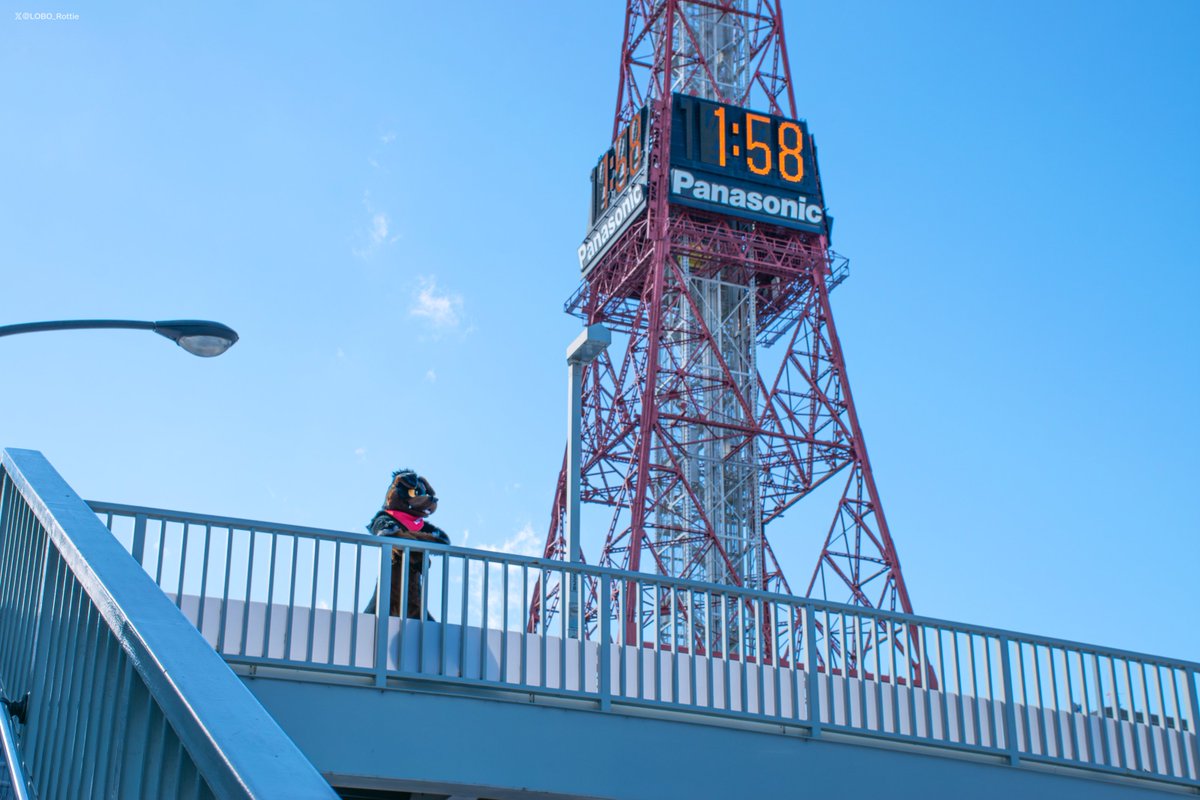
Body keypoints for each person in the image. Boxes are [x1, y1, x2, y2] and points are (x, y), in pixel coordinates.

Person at [363, 469, 449, 618]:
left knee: (426, 625)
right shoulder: (386, 519)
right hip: (389, 590)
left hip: (413, 594)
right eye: (414, 493)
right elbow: (388, 533)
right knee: (371, 618)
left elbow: (442, 540)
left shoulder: (419, 525)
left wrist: (413, 545)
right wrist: (418, 548)